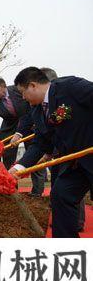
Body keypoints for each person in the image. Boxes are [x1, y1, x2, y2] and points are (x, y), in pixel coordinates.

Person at [9, 67, 93, 238]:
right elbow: (41, 143)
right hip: (74, 163)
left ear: (32, 85)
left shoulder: (69, 87)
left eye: (23, 93)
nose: (23, 98)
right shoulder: (37, 110)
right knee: (61, 195)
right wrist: (19, 168)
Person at [0, 77, 30, 168]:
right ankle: (10, 180)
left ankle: (38, 181)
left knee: (33, 151)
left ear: (2, 86)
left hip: (28, 122)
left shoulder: (18, 89)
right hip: (9, 127)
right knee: (8, 156)